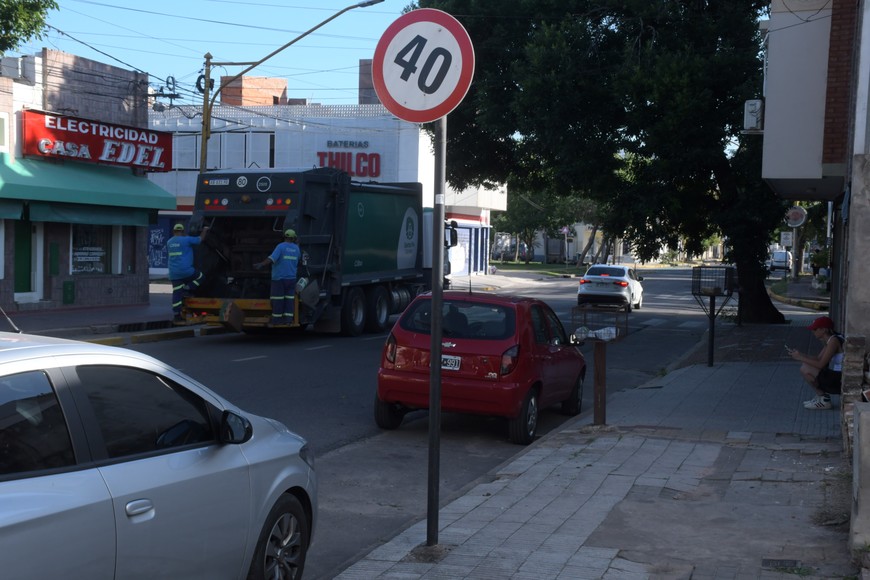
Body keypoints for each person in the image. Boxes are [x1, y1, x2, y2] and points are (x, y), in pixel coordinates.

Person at [788, 315, 844, 410]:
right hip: (837, 376)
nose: (813, 331)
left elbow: (821, 364)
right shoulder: (830, 339)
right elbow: (818, 359)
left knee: (805, 368)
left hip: (840, 379)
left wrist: (800, 358)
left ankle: (824, 400)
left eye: (815, 329)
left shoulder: (833, 341)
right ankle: (821, 398)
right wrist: (800, 354)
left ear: (824, 330)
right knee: (806, 366)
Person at [254, 229, 301, 326]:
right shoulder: (297, 248)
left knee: (278, 300)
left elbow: (271, 258)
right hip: (291, 279)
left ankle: (276, 320)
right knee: (289, 300)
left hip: (279, 279)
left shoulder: (281, 246)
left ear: (284, 236)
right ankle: (288, 319)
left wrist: (261, 264)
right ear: (293, 238)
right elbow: (298, 259)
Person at [167, 223, 209, 323]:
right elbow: (200, 239)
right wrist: (205, 230)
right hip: (186, 271)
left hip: (174, 273)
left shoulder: (169, 242)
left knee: (176, 293)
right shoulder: (186, 240)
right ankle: (188, 288)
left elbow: (178, 243)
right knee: (201, 277)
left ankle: (177, 315)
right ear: (182, 231)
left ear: (173, 231)